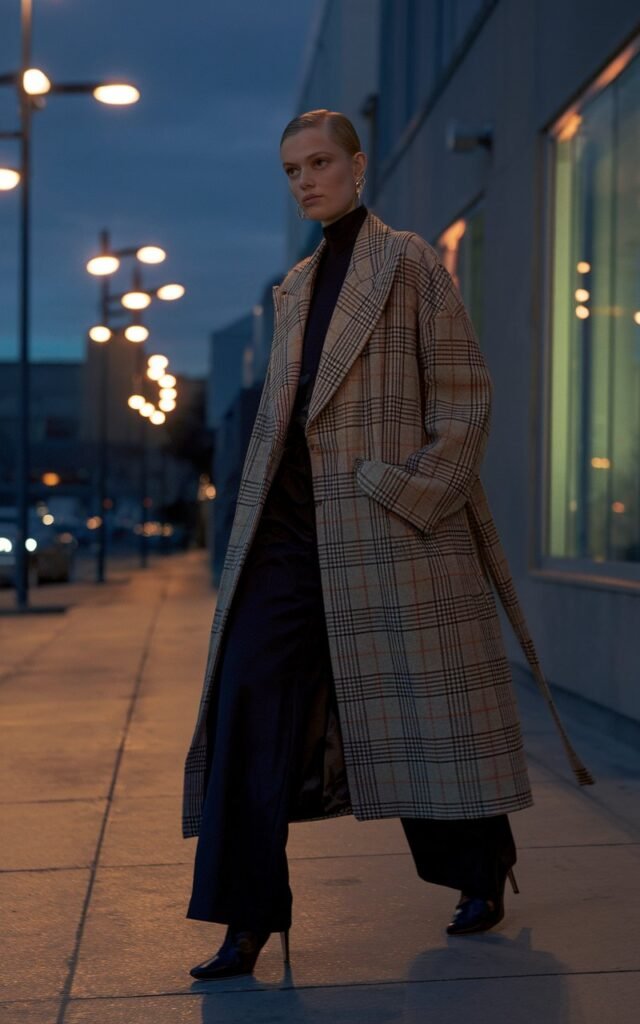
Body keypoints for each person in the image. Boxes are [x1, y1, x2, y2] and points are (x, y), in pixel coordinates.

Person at [182, 109, 592, 981]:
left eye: (320, 162)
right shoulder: (293, 286)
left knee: (422, 712)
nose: (305, 180)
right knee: (247, 709)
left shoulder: (408, 262)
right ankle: (244, 920)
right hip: (285, 538)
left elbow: (464, 398)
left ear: (358, 166)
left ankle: (481, 869)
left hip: (382, 524)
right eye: (291, 168)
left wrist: (407, 495)